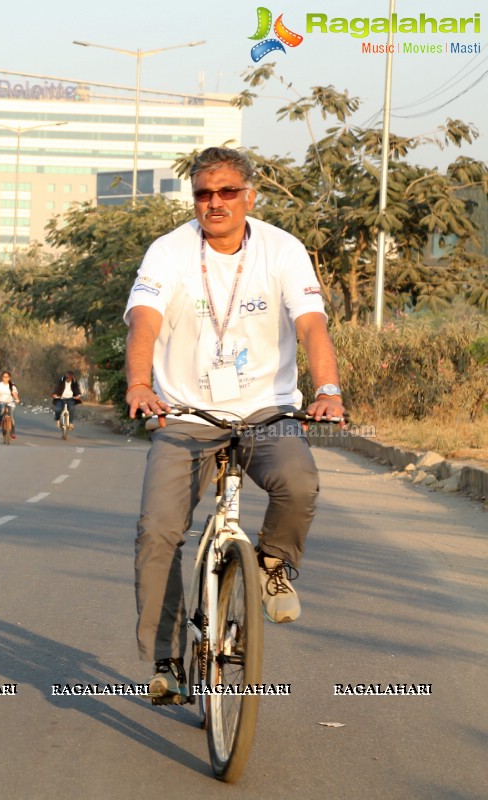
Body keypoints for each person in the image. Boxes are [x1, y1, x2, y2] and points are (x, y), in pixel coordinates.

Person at [123, 146, 344, 703]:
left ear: (249, 194)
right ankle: (167, 660)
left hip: (266, 410)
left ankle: (272, 564)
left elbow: (312, 326)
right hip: (185, 414)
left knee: (299, 483)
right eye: (203, 193)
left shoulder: (282, 249)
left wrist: (328, 391)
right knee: (158, 531)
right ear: (193, 198)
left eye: (226, 192)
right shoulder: (168, 252)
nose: (214, 203)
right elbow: (144, 323)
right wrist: (139, 384)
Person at [0, 371, 20, 440]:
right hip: (1, 401)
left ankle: (12, 432)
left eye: (7, 377)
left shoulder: (12, 385)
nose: (5, 378)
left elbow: (15, 394)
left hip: (10, 402)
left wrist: (17, 399)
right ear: (2, 377)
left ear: (9, 378)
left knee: (12, 417)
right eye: (4, 377)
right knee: (2, 410)